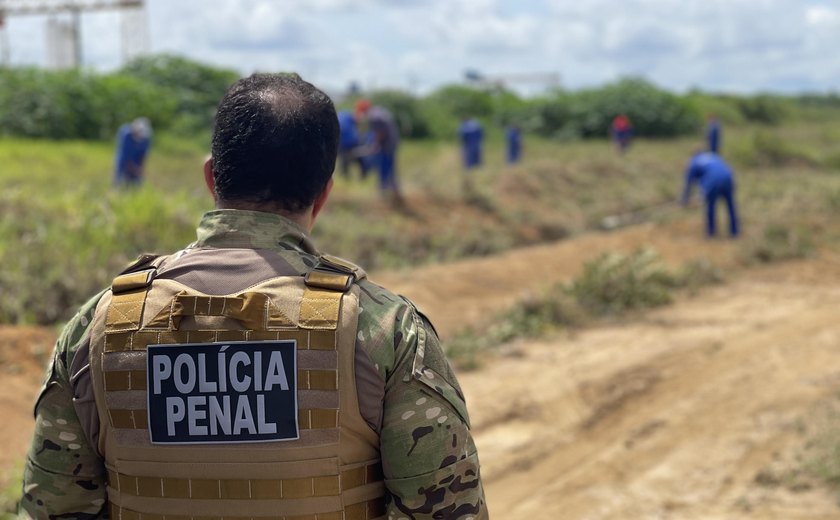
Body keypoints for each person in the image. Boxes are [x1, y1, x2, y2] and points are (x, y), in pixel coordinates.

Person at [20, 73, 487, 519]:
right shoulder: (383, 327)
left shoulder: (99, 323)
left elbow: (52, 507)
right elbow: (448, 510)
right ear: (324, 193)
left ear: (211, 177)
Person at [354, 98, 403, 206]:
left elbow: (380, 133)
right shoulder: (379, 112)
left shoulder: (374, 117)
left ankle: (383, 191)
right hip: (393, 142)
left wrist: (375, 145)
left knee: (384, 166)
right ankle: (395, 190)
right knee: (391, 166)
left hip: (387, 144)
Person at [681, 150, 739, 237]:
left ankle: (711, 232)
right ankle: (734, 231)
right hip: (728, 177)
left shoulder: (694, 163)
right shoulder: (713, 156)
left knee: (710, 206)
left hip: (713, 181)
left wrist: (685, 198)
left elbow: (689, 183)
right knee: (730, 205)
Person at [113, 117, 152, 186]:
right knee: (120, 176)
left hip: (136, 159)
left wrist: (139, 168)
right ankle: (117, 187)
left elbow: (143, 154)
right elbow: (125, 155)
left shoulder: (147, 138)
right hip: (124, 159)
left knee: (137, 181)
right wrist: (132, 168)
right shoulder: (126, 134)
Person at [337, 109, 369, 179]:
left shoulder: (349, 119)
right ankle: (345, 176)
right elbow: (343, 130)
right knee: (345, 161)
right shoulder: (345, 118)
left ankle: (362, 176)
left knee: (358, 160)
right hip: (345, 145)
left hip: (349, 145)